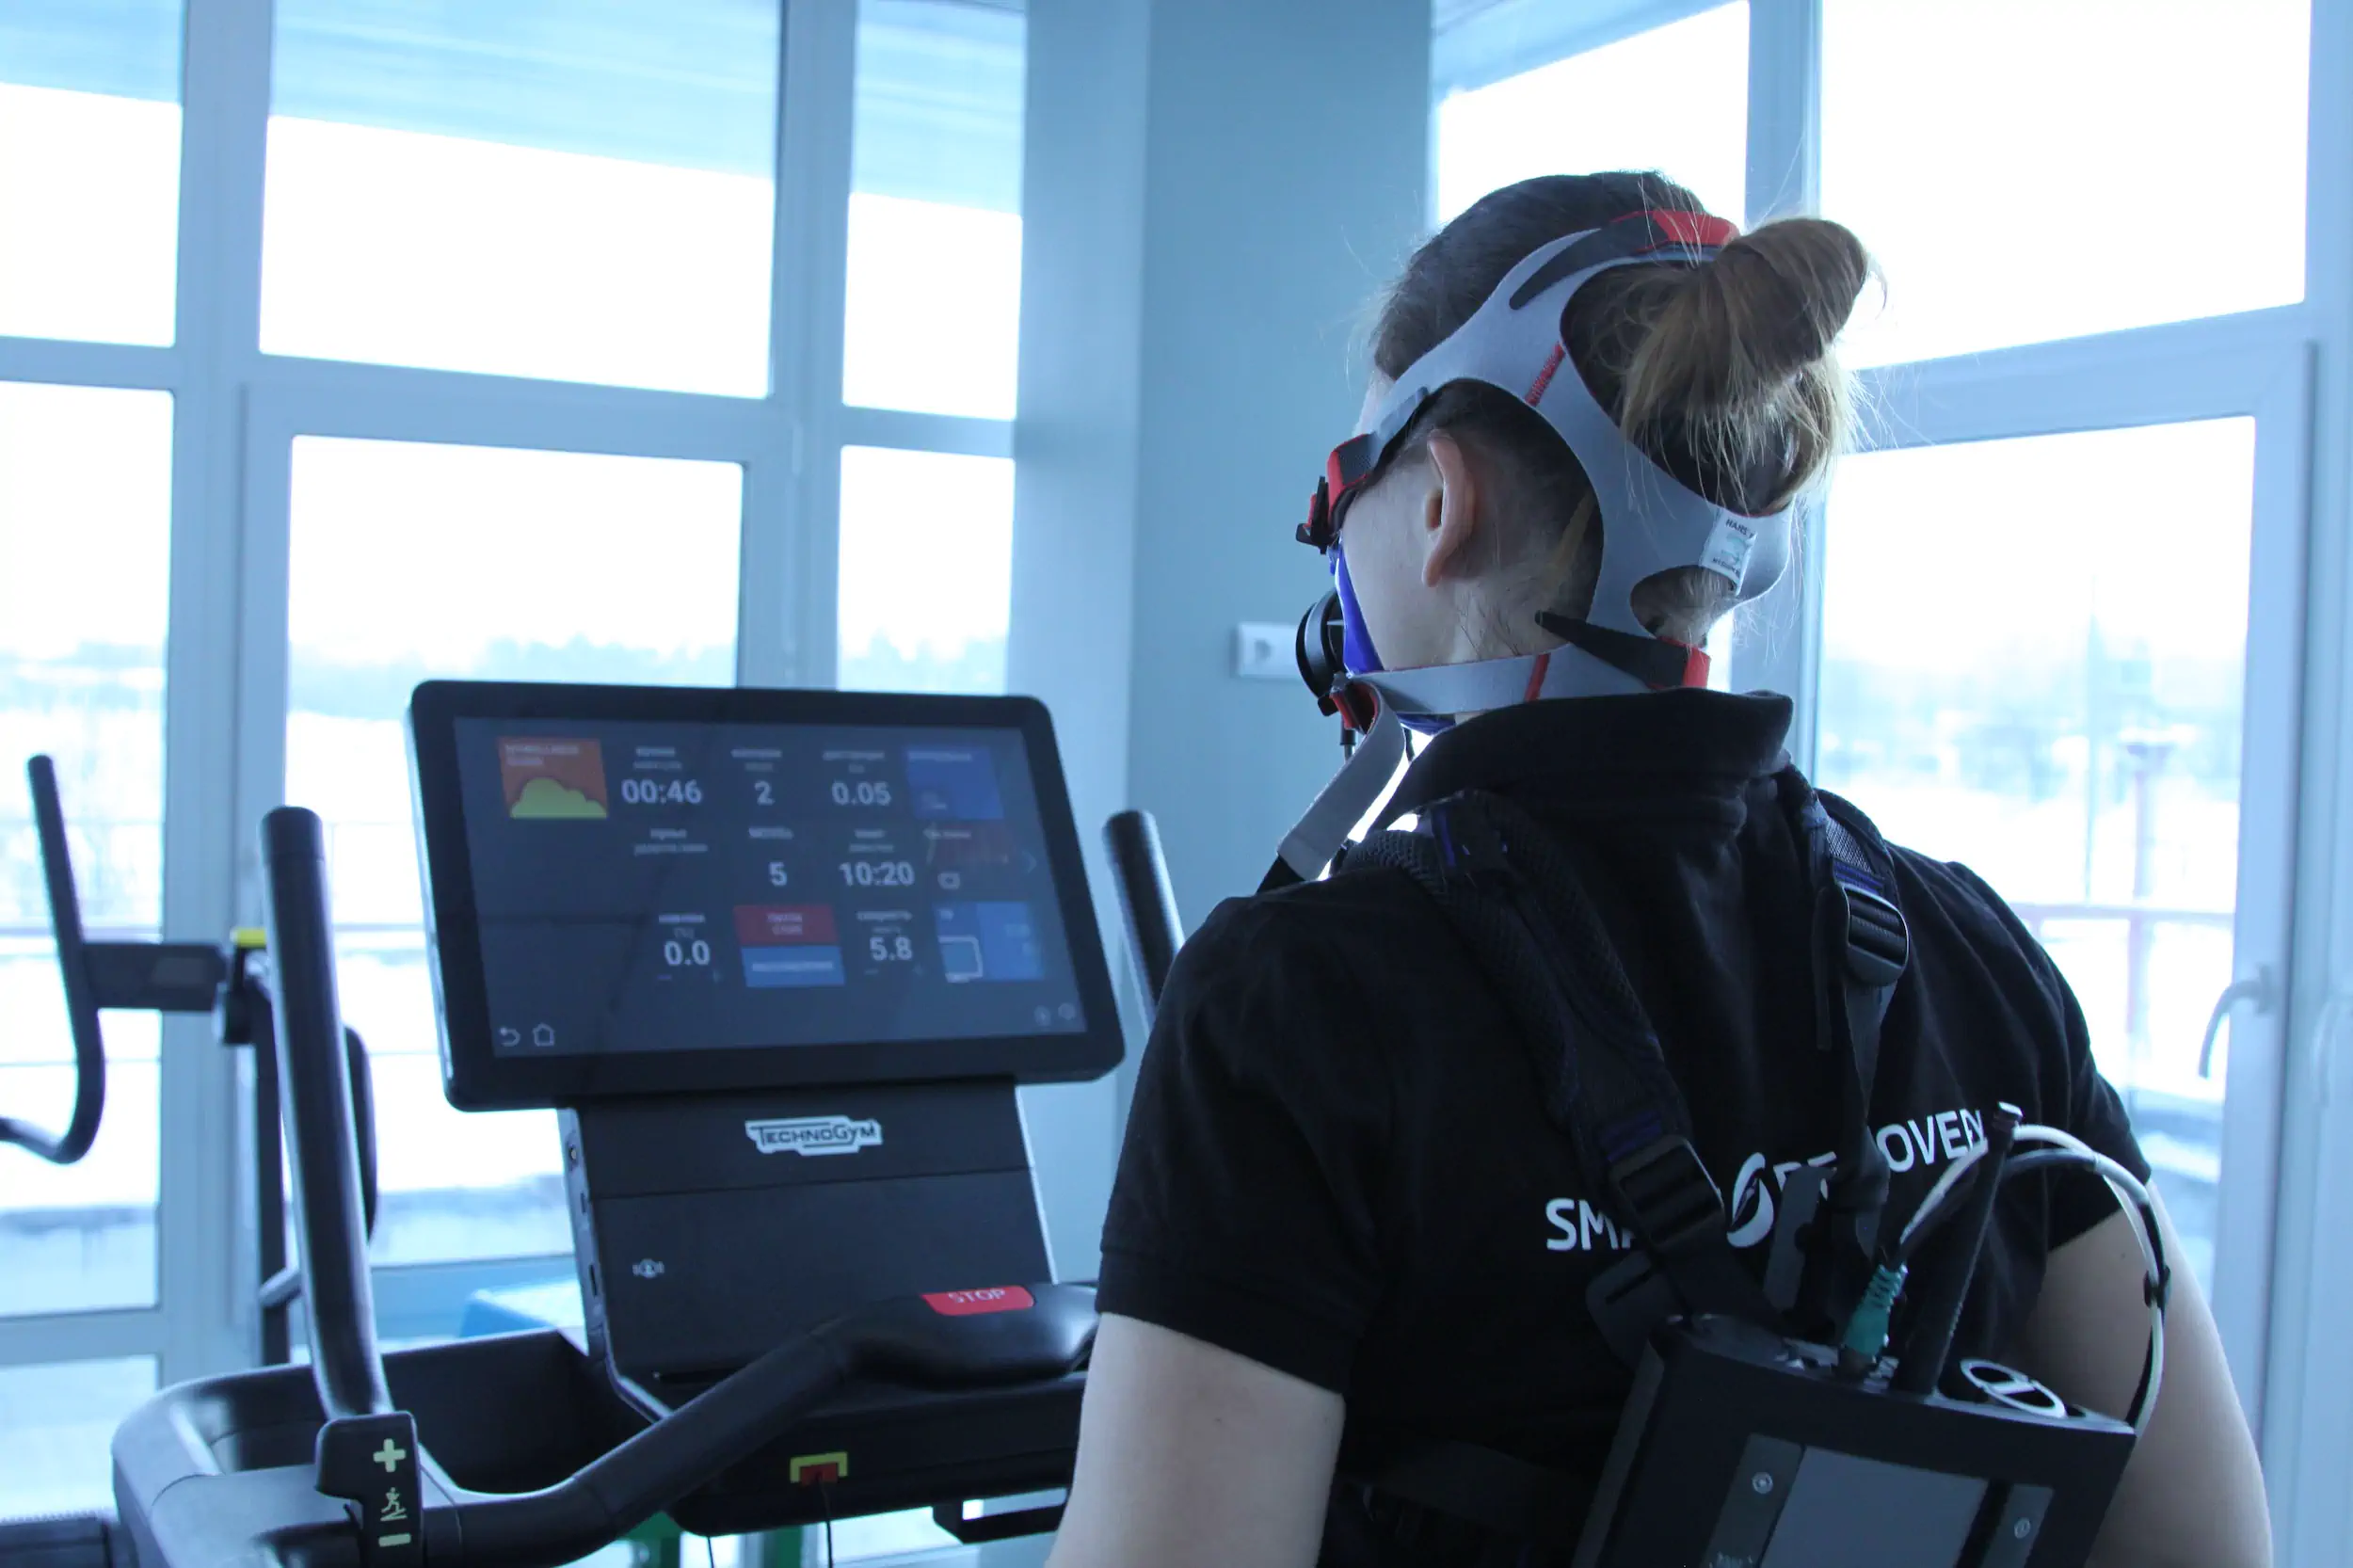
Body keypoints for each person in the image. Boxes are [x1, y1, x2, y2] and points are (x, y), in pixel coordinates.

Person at [1045, 172, 2271, 1568]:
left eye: (1357, 476)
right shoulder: (1971, 950)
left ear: (1439, 499)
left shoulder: (1294, 1003)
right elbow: (2209, 1547)